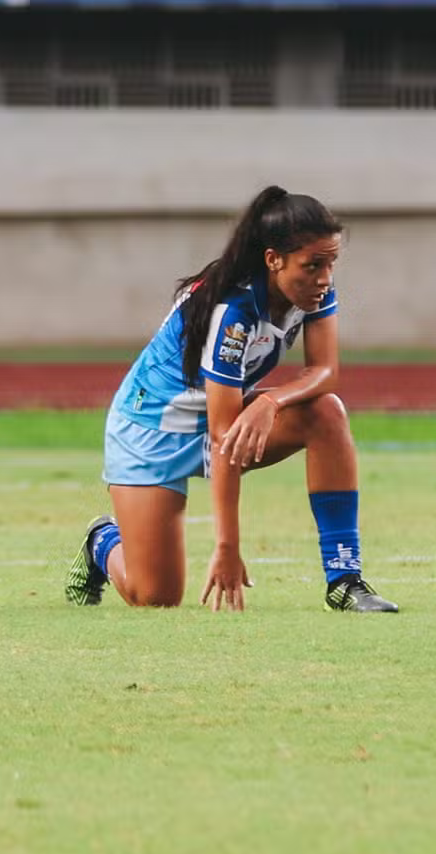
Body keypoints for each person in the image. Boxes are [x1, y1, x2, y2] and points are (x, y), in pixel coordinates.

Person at [64, 185, 398, 614]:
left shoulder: (311, 290)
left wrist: (269, 403)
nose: (325, 278)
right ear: (273, 259)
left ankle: (345, 580)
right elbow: (223, 438)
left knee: (326, 412)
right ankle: (102, 541)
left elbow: (324, 372)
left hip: (222, 416)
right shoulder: (233, 312)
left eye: (331, 263)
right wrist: (227, 547)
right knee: (155, 597)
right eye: (313, 265)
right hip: (150, 431)